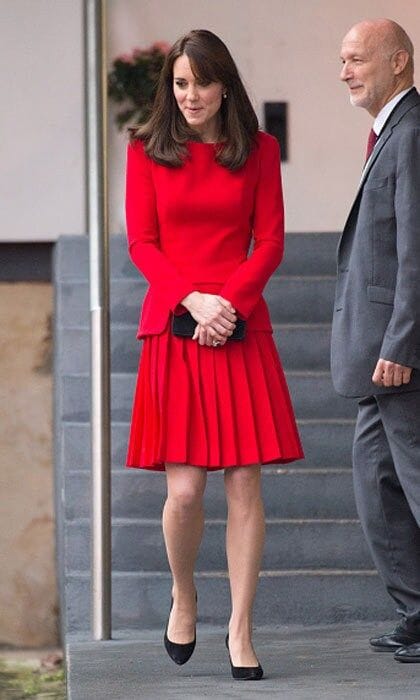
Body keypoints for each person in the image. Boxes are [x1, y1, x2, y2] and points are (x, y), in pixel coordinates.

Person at [124, 29, 303, 680]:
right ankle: (185, 593)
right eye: (180, 83)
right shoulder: (146, 152)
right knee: (185, 490)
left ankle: (240, 627)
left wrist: (228, 305)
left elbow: (271, 242)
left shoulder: (258, 150)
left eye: (200, 82)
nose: (190, 94)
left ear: (224, 84)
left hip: (241, 324)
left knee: (246, 483)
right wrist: (195, 303)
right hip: (175, 327)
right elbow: (143, 244)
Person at [331, 18, 420, 663]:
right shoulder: (390, 132)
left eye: (356, 58)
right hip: (374, 355)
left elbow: (418, 254)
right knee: (374, 483)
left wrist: (403, 343)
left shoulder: (412, 133)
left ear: (399, 62)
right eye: (342, 60)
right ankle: (416, 611)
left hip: (399, 356)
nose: (344, 71)